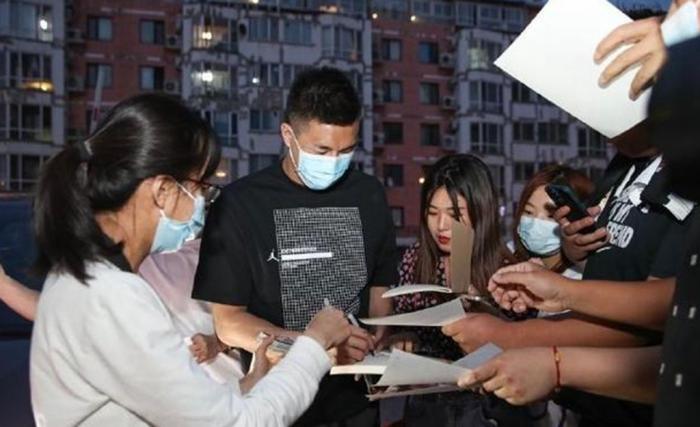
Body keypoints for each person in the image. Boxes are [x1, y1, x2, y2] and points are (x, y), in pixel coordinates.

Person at [29, 93, 352, 426]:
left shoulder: (84, 277)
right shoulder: (111, 297)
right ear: (163, 191)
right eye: (200, 189)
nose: (203, 204)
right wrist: (314, 344)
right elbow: (241, 423)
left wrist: (251, 384)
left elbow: (179, 409)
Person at [459, 35, 700, 427]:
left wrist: (530, 337)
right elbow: (613, 267)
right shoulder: (623, 167)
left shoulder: (684, 171)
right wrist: (573, 256)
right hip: (598, 405)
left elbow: (668, 310)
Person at [192, 67, 399, 426]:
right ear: (288, 134)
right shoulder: (240, 205)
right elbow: (229, 323)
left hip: (356, 405)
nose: (334, 162)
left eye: (346, 150)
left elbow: (380, 286)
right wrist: (316, 346)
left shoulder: (369, 194)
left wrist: (378, 337)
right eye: (322, 150)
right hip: (278, 403)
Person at [386, 154, 531, 427]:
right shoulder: (414, 259)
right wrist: (404, 338)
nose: (441, 225)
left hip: (488, 407)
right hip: (427, 405)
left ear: (480, 210)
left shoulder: (509, 272)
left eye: (454, 215)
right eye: (432, 213)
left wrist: (485, 319)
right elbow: (404, 327)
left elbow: (528, 345)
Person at [511, 165, 594, 280]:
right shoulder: (507, 255)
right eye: (528, 212)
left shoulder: (583, 279)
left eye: (552, 216)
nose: (536, 223)